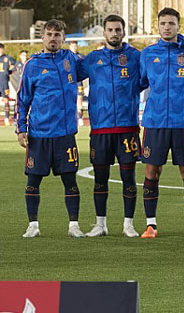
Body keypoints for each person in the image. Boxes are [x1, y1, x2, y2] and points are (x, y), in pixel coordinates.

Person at [16, 19, 84, 238]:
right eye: (49, 34)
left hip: (65, 134)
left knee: (70, 180)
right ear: (43, 37)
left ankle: (74, 225)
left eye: (57, 34)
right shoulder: (33, 65)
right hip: (39, 134)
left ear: (64, 38)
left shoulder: (72, 60)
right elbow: (22, 99)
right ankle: (33, 225)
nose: (53, 38)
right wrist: (21, 128)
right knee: (33, 180)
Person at [76, 14, 142, 238]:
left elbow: (149, 79)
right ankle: (100, 224)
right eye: (110, 29)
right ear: (104, 33)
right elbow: (68, 75)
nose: (114, 33)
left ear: (124, 32)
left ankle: (128, 225)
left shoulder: (136, 57)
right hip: (100, 129)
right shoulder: (92, 59)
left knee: (128, 178)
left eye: (118, 29)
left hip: (127, 128)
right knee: (100, 179)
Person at [138, 7, 184, 239]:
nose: (167, 27)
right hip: (154, 122)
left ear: (178, 26)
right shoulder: (147, 54)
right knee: (152, 170)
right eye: (163, 23)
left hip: (182, 122)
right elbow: (142, 82)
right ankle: (151, 225)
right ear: (158, 26)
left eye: (171, 23)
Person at [69, 41, 86, 126]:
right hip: (69, 82)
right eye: (72, 46)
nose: (74, 47)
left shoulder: (81, 56)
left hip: (79, 82)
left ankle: (80, 118)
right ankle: (70, 119)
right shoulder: (66, 56)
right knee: (69, 101)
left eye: (75, 46)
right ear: (69, 46)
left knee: (79, 101)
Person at [0, 43, 17, 126]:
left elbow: (17, 65)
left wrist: (9, 72)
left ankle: (7, 118)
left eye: (1, 48)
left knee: (6, 100)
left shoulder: (7, 58)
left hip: (4, 82)